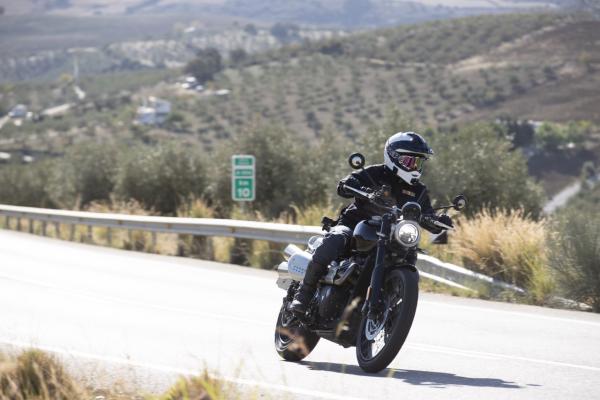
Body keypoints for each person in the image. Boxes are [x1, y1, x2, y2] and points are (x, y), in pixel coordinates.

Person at [289, 131, 453, 316]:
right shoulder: (375, 173)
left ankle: (391, 309)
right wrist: (355, 186)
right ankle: (304, 293)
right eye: (410, 161)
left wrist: (438, 221)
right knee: (335, 239)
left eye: (419, 162)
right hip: (356, 224)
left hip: (393, 235)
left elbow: (427, 214)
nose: (415, 167)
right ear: (394, 157)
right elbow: (346, 185)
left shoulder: (419, 191)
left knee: (409, 255)